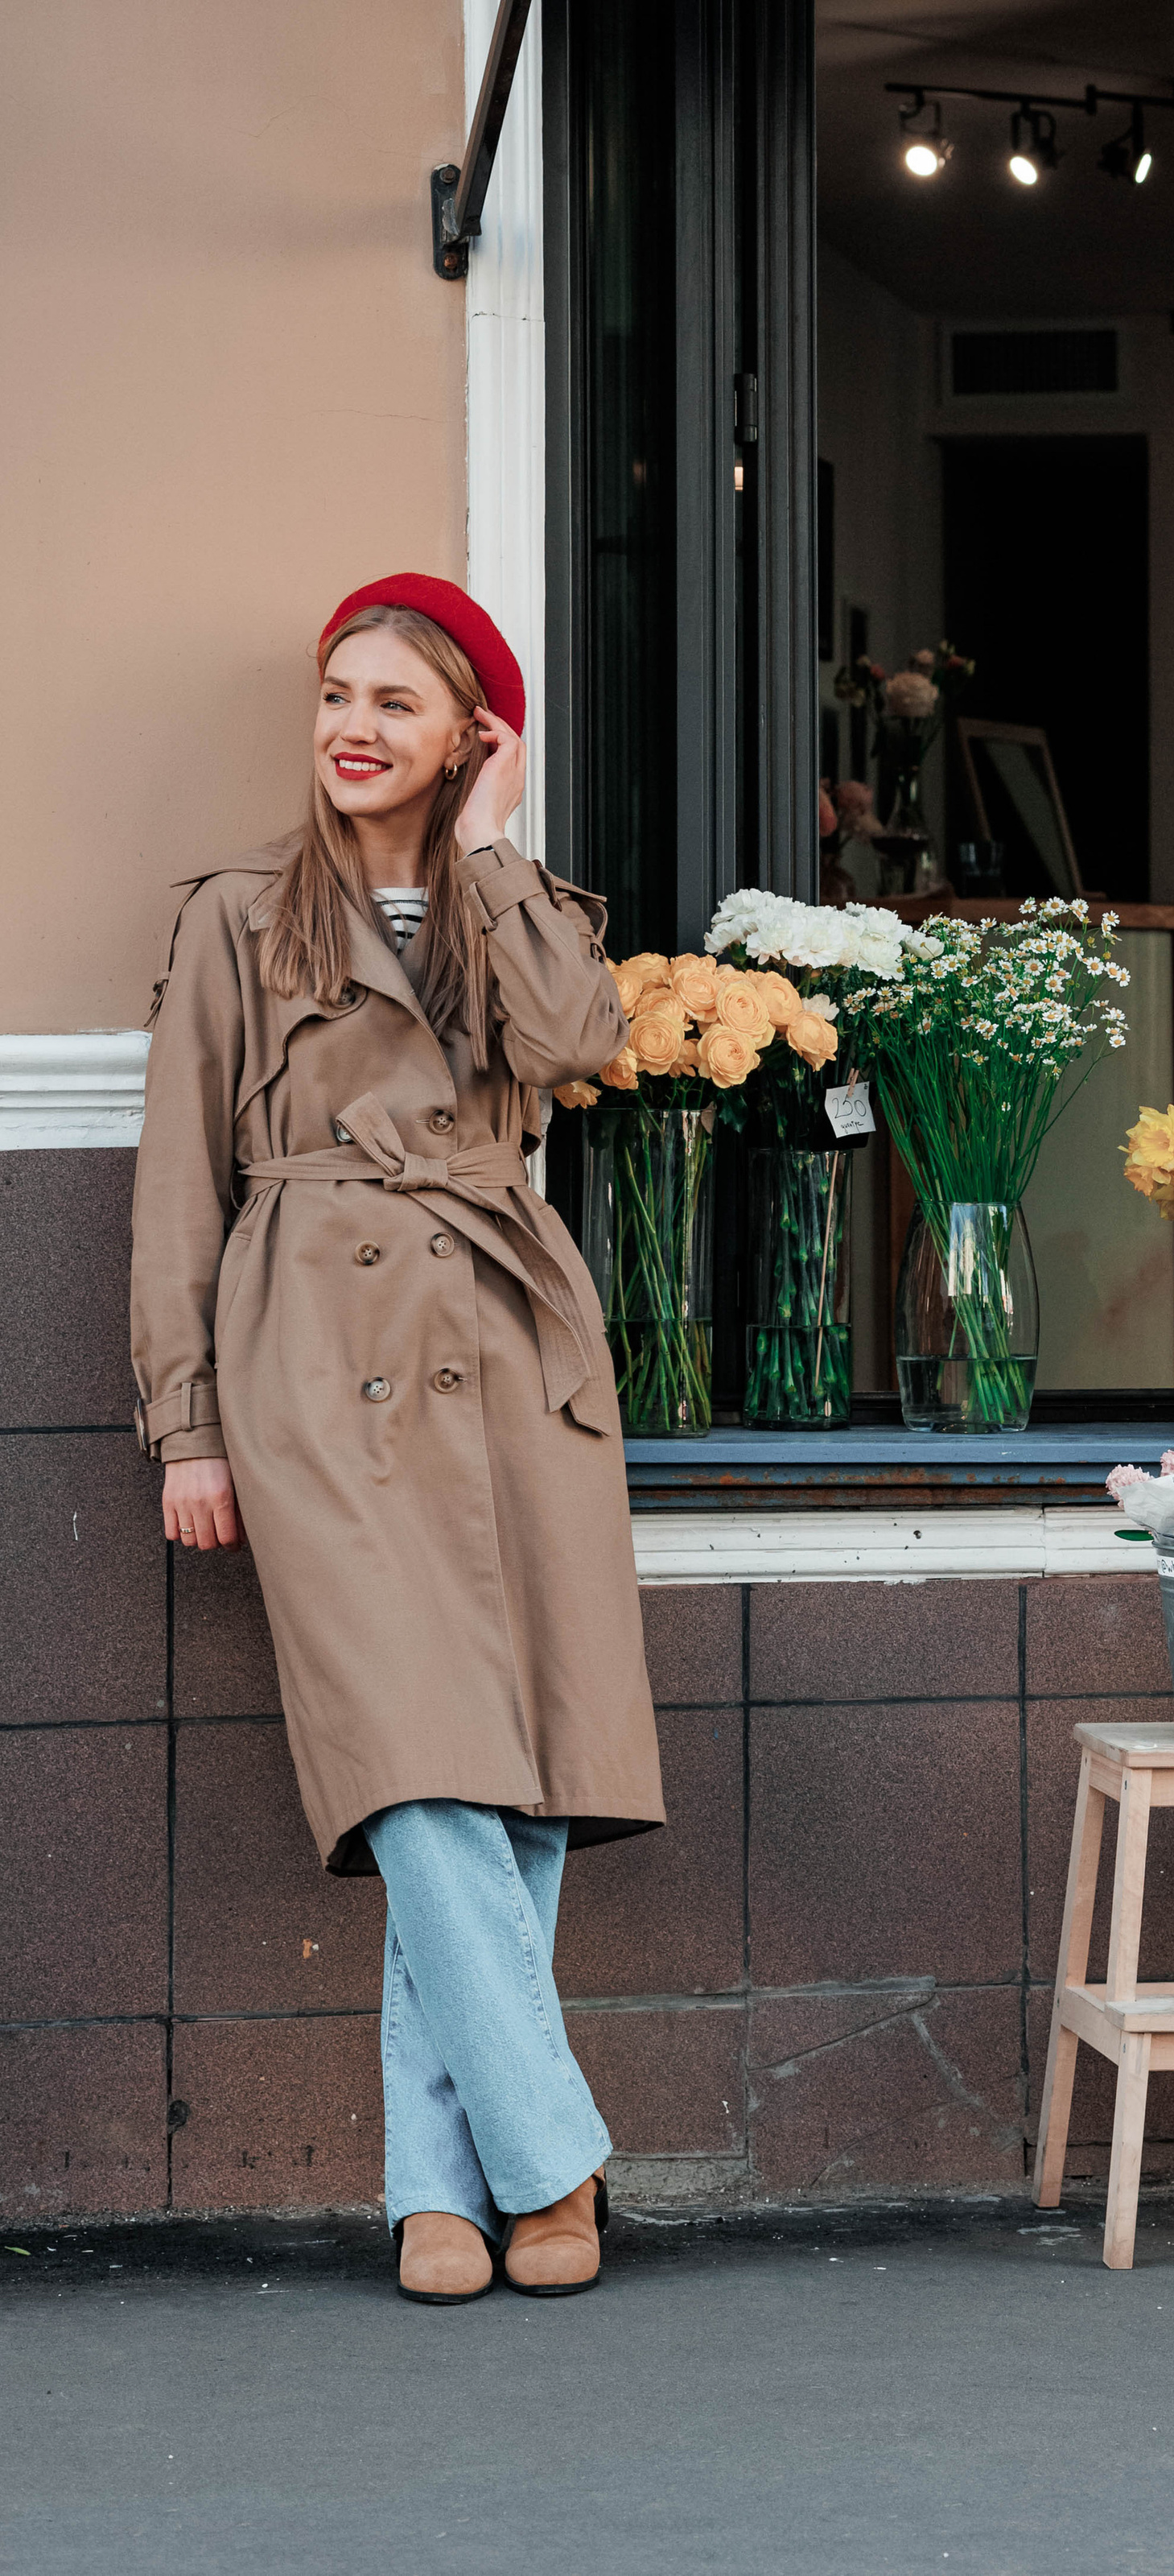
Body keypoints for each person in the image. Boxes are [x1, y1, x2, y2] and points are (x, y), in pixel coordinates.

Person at [130, 574, 665, 2304]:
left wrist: (492, 850)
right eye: (336, 695)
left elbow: (584, 1048)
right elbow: (168, 1196)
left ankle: (442, 2195)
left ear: (468, 740)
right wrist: (185, 1424)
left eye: (399, 706)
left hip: (508, 1354)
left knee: (524, 1786)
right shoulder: (235, 920)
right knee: (418, 1768)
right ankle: (558, 2155)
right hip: (314, 1365)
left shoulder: (519, 903)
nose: (353, 728)